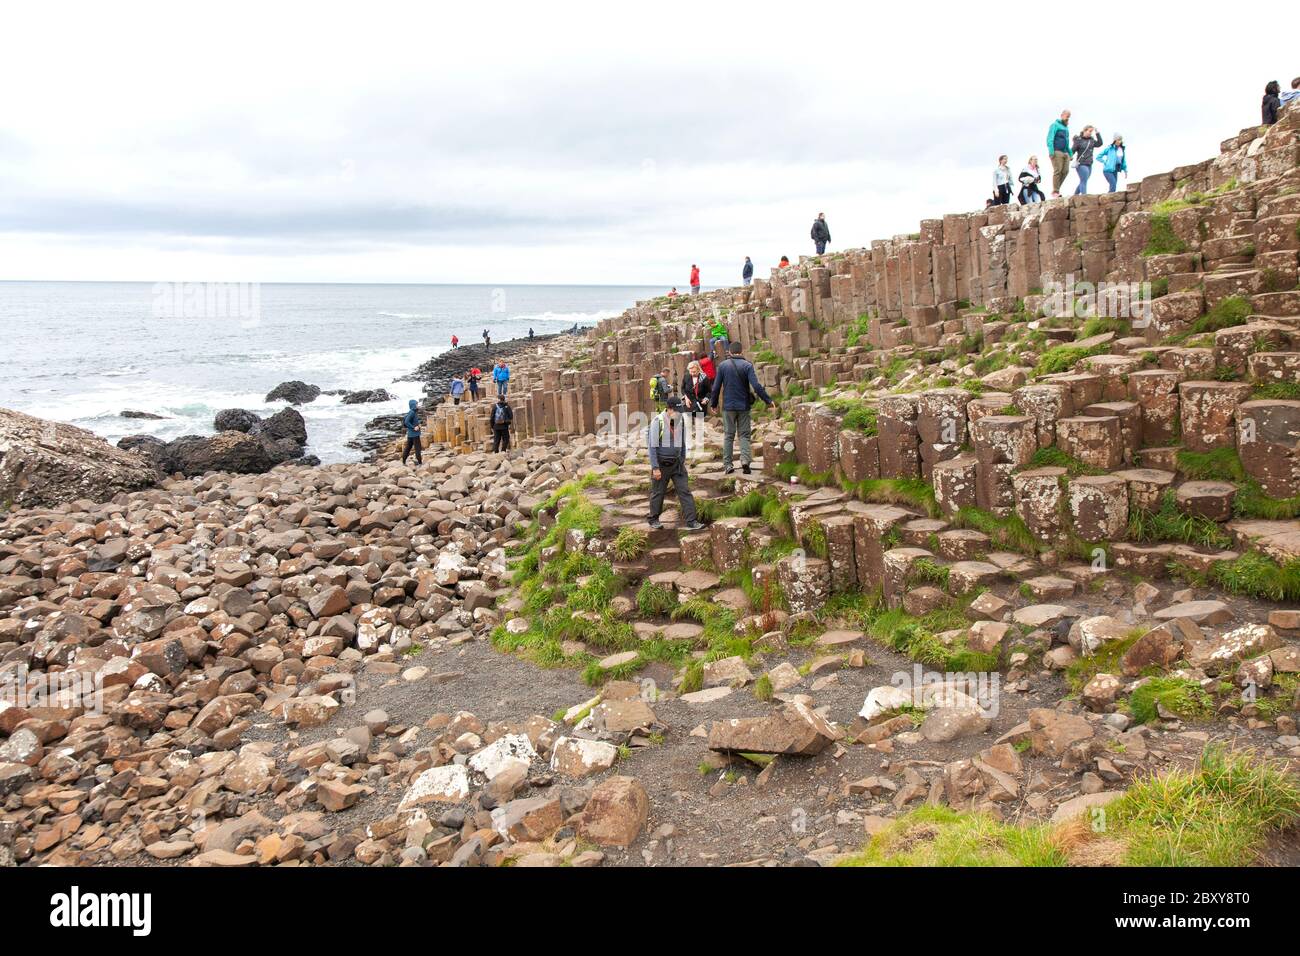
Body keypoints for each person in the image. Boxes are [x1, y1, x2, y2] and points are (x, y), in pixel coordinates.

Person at [709, 341, 775, 475]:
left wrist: (714, 404)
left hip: (728, 406)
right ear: (741, 351)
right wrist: (768, 400)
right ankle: (745, 461)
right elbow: (756, 386)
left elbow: (716, 388)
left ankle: (728, 465)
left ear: (730, 352)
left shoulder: (722, 366)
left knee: (728, 435)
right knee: (744, 435)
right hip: (743, 405)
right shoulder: (747, 365)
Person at [647, 396, 703, 531]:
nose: (679, 413)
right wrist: (655, 467)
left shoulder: (680, 420)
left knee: (685, 491)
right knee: (658, 492)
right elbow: (652, 446)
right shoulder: (657, 421)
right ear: (669, 409)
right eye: (677, 410)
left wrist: (682, 458)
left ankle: (692, 521)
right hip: (661, 464)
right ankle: (653, 519)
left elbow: (682, 441)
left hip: (677, 464)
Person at [1046, 110, 1072, 198]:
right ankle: (1055, 191)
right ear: (1062, 115)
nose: (1068, 117)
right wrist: (1051, 151)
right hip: (1057, 151)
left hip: (1065, 152)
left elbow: (1067, 142)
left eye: (1069, 116)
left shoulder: (1066, 128)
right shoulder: (1055, 125)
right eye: (1066, 115)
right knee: (1058, 170)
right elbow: (1050, 138)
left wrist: (1070, 153)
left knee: (1065, 171)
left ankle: (1056, 189)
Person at [1072, 125, 1103, 195]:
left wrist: (1097, 133)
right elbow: (1072, 150)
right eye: (1089, 131)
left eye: (1091, 132)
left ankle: (1075, 196)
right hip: (1081, 164)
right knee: (1083, 181)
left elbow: (1100, 143)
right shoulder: (1078, 140)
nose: (1090, 133)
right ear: (1084, 131)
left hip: (1089, 164)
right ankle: (1084, 196)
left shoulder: (1091, 140)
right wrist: (1069, 156)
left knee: (1083, 181)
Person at [401, 399, 423, 466]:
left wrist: (418, 424)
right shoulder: (412, 412)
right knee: (418, 448)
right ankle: (420, 463)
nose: (417, 405)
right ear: (413, 405)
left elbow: (414, 419)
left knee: (408, 448)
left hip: (410, 434)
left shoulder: (413, 411)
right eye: (416, 404)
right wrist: (414, 427)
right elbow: (406, 422)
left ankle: (404, 462)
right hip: (415, 434)